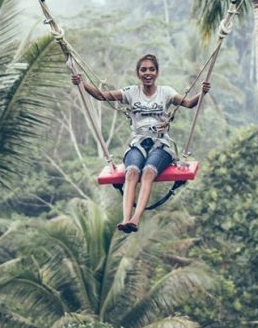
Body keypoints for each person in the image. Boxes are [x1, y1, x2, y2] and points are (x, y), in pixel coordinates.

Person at [72, 54, 210, 233]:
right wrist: (82, 83)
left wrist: (202, 93)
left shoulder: (166, 92)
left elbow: (190, 104)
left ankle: (135, 219)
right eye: (143, 69)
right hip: (137, 143)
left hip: (161, 145)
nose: (148, 73)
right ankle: (125, 219)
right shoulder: (130, 92)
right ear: (138, 73)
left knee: (148, 172)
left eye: (151, 69)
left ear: (157, 72)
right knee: (131, 173)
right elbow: (101, 96)